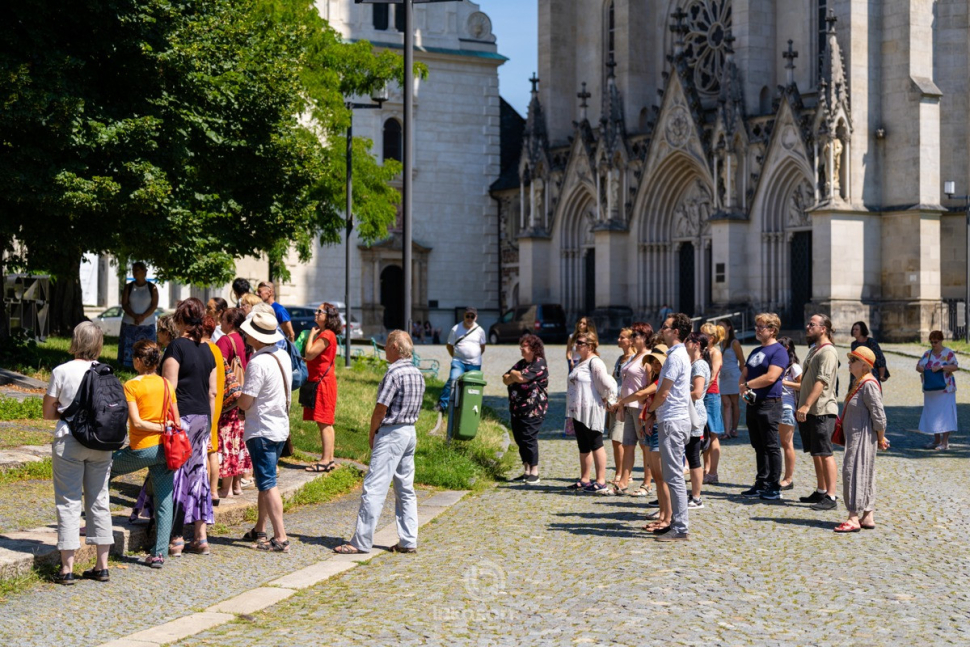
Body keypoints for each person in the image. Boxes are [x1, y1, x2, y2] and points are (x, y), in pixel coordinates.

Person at [335, 330, 424, 554]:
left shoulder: (393, 374)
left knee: (374, 487)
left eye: (386, 344)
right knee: (405, 489)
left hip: (392, 432)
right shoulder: (417, 373)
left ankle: (361, 541)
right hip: (409, 432)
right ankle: (408, 539)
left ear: (395, 347)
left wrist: (372, 432)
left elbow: (380, 409)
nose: (384, 348)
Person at [42, 322, 114, 585]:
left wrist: (66, 410)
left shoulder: (61, 371)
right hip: (101, 444)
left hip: (69, 441)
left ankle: (67, 568)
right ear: (98, 344)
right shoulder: (106, 371)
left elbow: (48, 413)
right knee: (99, 500)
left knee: (69, 501)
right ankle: (102, 566)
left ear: (75, 341)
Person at [110, 340, 177, 568]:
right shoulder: (167, 384)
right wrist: (165, 427)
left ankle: (93, 524)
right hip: (166, 450)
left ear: (138, 361)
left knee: (102, 468)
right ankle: (159, 554)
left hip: (143, 448)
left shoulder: (131, 385)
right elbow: (175, 419)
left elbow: (136, 422)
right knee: (164, 500)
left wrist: (158, 427)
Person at [162, 297, 217, 556]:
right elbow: (213, 392)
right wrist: (209, 426)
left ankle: (175, 537)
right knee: (199, 475)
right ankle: (201, 536)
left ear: (180, 319)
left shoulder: (177, 347)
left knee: (177, 474)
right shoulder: (208, 350)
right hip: (203, 418)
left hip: (181, 417)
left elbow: (169, 388)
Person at [237, 311, 293, 552]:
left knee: (268, 482)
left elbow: (247, 402)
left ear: (256, 336)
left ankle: (281, 537)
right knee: (264, 478)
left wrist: (236, 395)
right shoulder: (282, 355)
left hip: (262, 429)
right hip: (279, 426)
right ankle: (260, 528)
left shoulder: (258, 362)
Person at [647, 313, 693, 541]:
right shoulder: (675, 355)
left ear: (676, 332)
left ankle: (681, 527)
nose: (661, 330)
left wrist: (650, 412)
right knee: (670, 474)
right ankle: (675, 522)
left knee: (673, 476)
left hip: (673, 421)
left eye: (665, 327)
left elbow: (663, 392)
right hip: (672, 419)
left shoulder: (675, 357)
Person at [837, 346, 889, 533]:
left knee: (854, 472)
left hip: (863, 438)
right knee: (865, 473)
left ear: (864, 365)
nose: (849, 364)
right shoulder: (860, 382)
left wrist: (881, 438)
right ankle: (867, 515)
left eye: (853, 361)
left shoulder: (868, 384)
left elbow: (879, 416)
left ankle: (853, 517)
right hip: (857, 437)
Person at [739, 313, 787, 501]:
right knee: (758, 445)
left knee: (771, 446)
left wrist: (748, 385)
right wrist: (743, 387)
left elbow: (771, 377)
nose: (757, 329)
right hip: (753, 403)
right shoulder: (755, 351)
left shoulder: (779, 351)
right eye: (757, 326)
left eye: (762, 327)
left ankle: (774, 485)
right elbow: (745, 373)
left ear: (773, 330)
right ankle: (761, 481)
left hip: (770, 404)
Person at [796, 314, 840, 510]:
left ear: (823, 329)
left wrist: (805, 405)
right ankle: (821, 490)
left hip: (822, 409)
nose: (807, 326)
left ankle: (831, 496)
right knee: (816, 452)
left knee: (825, 452)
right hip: (811, 410)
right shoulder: (815, 350)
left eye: (812, 324)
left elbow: (822, 382)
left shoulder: (828, 351)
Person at [566, 331, 618, 493]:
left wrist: (607, 399)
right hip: (578, 410)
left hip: (591, 409)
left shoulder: (595, 363)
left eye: (580, 343)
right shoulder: (580, 361)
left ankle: (601, 481)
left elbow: (607, 384)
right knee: (583, 445)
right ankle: (585, 478)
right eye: (576, 342)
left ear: (590, 346)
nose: (576, 345)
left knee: (596, 444)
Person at [610, 322, 653, 494]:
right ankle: (623, 482)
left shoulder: (649, 357)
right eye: (633, 335)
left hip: (640, 406)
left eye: (636, 335)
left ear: (645, 337)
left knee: (644, 446)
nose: (633, 338)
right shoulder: (634, 357)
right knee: (627, 444)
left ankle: (647, 483)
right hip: (628, 406)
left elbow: (650, 385)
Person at [503, 334, 549, 484]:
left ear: (533, 348)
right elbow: (505, 378)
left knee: (529, 438)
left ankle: (534, 471)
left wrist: (515, 375)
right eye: (521, 345)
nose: (521, 348)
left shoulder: (539, 363)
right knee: (519, 438)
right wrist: (515, 375)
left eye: (524, 345)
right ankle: (526, 470)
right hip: (517, 408)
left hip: (533, 409)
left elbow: (522, 378)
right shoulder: (521, 363)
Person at [215, 307, 251, 498]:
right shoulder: (244, 339)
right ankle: (237, 485)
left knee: (227, 441)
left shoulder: (224, 340)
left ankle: (226, 488)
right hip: (243, 397)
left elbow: (220, 368)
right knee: (238, 442)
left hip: (229, 398)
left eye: (222, 320)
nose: (220, 323)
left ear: (230, 323)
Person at [303, 303, 342, 473]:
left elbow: (310, 353)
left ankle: (326, 460)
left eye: (320, 311)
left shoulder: (326, 334)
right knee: (325, 421)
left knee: (324, 422)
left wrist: (311, 335)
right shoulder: (328, 334)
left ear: (328, 316)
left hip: (323, 382)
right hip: (322, 381)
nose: (316, 313)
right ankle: (329, 459)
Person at [640, 346, 670, 528]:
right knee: (657, 476)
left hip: (662, 425)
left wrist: (621, 402)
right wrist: (648, 417)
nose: (656, 364)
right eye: (653, 361)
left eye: (659, 361)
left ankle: (667, 517)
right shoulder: (655, 378)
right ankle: (663, 515)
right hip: (653, 424)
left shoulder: (663, 380)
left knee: (662, 477)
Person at [436, 307, 487, 412]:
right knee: (453, 380)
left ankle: (470, 407)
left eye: (472, 316)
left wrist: (474, 356)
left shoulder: (480, 331)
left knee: (473, 386)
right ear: (464, 315)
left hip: (475, 364)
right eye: (467, 316)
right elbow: (449, 346)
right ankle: (442, 404)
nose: (469, 318)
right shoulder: (456, 329)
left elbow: (482, 347)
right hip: (459, 362)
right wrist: (456, 357)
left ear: (476, 317)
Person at [917, 330, 959, 450]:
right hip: (931, 389)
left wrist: (941, 367)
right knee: (933, 413)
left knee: (945, 414)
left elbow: (955, 366)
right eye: (931, 342)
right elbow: (918, 366)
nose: (933, 344)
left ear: (941, 341)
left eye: (935, 342)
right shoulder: (927, 354)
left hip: (946, 388)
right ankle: (936, 440)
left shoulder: (948, 353)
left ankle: (945, 442)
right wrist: (921, 368)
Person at [201, 316, 227, 506]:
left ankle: (207, 491)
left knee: (206, 450)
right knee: (213, 448)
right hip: (216, 403)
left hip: (206, 402)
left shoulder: (205, 349)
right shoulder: (217, 349)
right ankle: (214, 491)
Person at [606, 328, 635, 491]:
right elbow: (613, 378)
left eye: (622, 337)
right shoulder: (620, 358)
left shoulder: (633, 359)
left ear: (630, 341)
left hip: (623, 402)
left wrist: (620, 401)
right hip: (614, 401)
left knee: (620, 439)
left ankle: (624, 474)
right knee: (615, 439)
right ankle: (620, 472)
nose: (618, 339)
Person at [684, 331, 711, 509]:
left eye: (688, 341)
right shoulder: (691, 363)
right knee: (687, 454)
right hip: (688, 411)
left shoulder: (700, 365)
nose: (685, 343)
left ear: (696, 345)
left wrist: (677, 394)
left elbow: (697, 392)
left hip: (694, 413)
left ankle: (696, 497)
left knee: (693, 456)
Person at [119, 262, 159, 369]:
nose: (134, 272)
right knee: (129, 347)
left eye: (137, 270)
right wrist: (135, 316)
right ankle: (127, 366)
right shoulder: (129, 287)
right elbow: (124, 304)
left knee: (147, 348)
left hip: (147, 324)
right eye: (133, 270)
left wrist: (142, 316)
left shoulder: (152, 288)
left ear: (144, 272)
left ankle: (147, 366)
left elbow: (154, 305)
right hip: (129, 323)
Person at [700, 323, 724, 484]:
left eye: (702, 334)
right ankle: (706, 469)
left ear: (711, 338)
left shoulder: (715, 352)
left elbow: (713, 375)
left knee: (713, 434)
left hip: (711, 395)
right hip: (702, 395)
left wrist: (699, 391)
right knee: (704, 435)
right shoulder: (702, 352)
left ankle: (713, 472)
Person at [778, 336, 802, 491]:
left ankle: (788, 478)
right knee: (778, 443)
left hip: (787, 407)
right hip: (775, 407)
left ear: (786, 348)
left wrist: (785, 382)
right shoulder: (779, 365)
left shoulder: (793, 367)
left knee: (787, 443)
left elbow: (802, 385)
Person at [718, 319, 744, 439]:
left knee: (734, 403)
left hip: (734, 376)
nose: (720, 328)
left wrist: (742, 377)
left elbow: (742, 360)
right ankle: (726, 431)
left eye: (722, 326)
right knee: (726, 404)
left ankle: (734, 429)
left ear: (728, 328)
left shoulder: (734, 342)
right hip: (723, 377)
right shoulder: (720, 342)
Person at [849, 321, 888, 387]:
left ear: (862, 330)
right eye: (853, 329)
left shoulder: (871, 342)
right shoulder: (854, 344)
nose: (854, 331)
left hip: (871, 373)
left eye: (857, 329)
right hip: (857, 374)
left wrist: (881, 375)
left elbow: (880, 359)